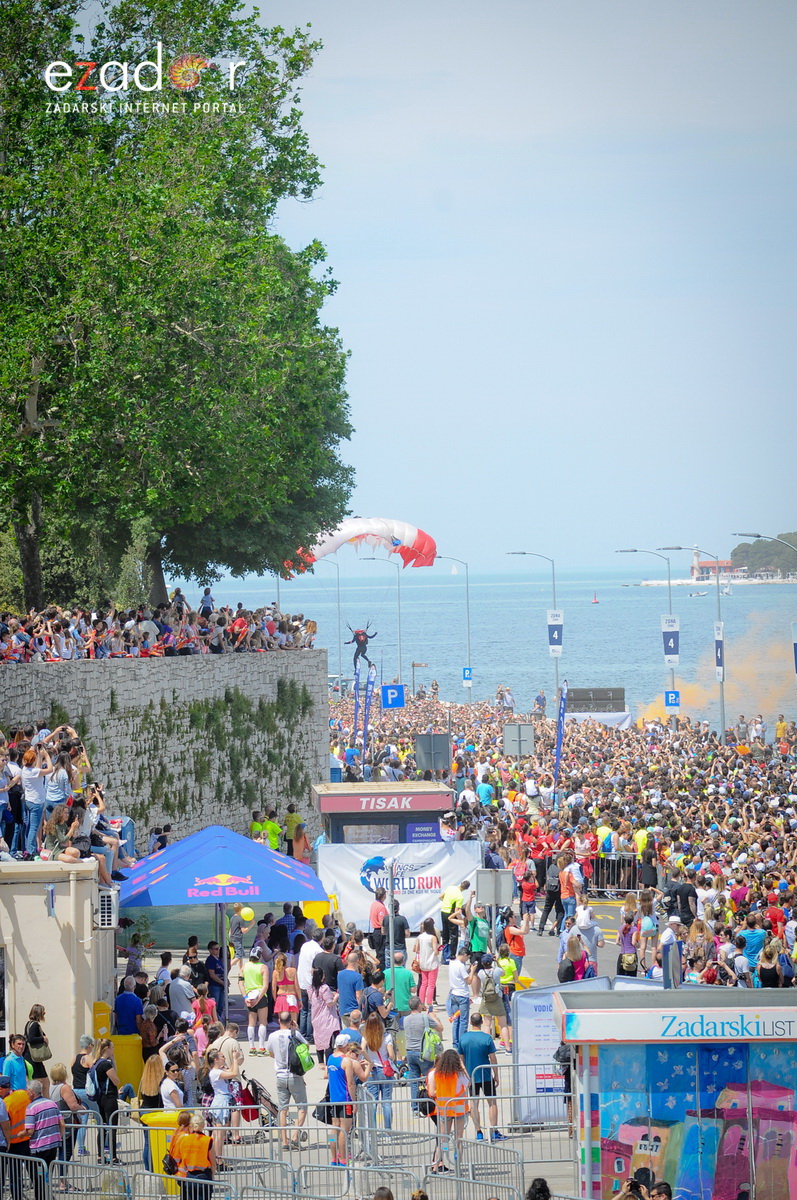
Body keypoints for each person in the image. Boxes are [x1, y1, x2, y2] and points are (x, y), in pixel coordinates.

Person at [265, 1012, 310, 1149]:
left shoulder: (272, 1036)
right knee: (302, 1106)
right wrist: (295, 1030)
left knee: (283, 1109)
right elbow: (306, 1047)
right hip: (294, 1075)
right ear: (291, 1021)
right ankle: (295, 1136)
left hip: (280, 1075)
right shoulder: (294, 1034)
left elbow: (271, 1053)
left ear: (279, 1020)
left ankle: (284, 1140)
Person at [327, 1033, 372, 1167]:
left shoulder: (330, 1058)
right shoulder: (345, 1061)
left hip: (333, 1098)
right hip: (345, 1098)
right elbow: (351, 1083)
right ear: (346, 1045)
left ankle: (334, 1158)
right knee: (344, 1131)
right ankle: (343, 1159)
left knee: (334, 1130)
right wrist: (353, 1102)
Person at [459, 1011, 504, 1141]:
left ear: (470, 1022)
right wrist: (496, 1074)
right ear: (482, 1022)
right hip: (486, 1075)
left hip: (470, 1076)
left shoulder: (463, 1038)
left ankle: (479, 1132)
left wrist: (465, 1075)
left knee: (474, 1104)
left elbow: (460, 1059)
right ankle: (494, 1130)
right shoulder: (487, 1038)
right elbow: (493, 1058)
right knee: (492, 1103)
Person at [427, 1048, 470, 1172]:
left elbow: (433, 1091)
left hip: (444, 1109)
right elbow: (468, 1084)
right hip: (459, 1109)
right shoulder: (459, 1074)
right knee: (458, 1138)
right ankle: (457, 1164)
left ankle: (435, 1165)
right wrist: (463, 1067)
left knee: (443, 1139)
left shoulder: (437, 1074)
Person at [24, 1080, 63, 1200]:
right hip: (53, 1145)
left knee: (37, 1178)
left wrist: (20, 1134)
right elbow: (62, 1123)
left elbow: (30, 1131)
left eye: (27, 1091)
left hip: (38, 1148)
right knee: (47, 1175)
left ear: (31, 1092)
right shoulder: (52, 1103)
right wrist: (58, 1137)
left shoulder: (31, 1108)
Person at [403, 996, 442, 1112]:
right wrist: (433, 1017)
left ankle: (415, 1107)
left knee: (414, 1081)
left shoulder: (405, 1019)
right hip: (423, 1052)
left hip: (410, 1051)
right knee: (429, 1078)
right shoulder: (425, 1018)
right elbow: (440, 1028)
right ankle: (430, 1105)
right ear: (419, 1005)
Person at [362, 1013, 396, 1130]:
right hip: (385, 1070)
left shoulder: (366, 1037)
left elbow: (361, 1049)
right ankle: (387, 1130)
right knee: (386, 1102)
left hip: (372, 1070)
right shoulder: (386, 1037)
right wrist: (389, 1059)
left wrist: (369, 1060)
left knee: (373, 1102)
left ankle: (373, 1130)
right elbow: (391, 1055)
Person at [172, 1111, 215, 1200]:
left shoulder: (184, 1139)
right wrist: (213, 1173)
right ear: (203, 1126)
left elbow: (181, 1157)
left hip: (189, 1175)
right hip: (204, 1175)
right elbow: (213, 1161)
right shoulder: (207, 1140)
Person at [473, 955, 511, 1051]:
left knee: (487, 1024)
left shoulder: (481, 973)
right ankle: (507, 1048)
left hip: (486, 999)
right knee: (503, 1024)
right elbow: (503, 973)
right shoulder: (497, 971)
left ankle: (487, 1048)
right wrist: (497, 961)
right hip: (497, 998)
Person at [308, 966, 339, 1075]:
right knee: (328, 1041)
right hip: (326, 1017)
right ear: (321, 977)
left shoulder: (310, 988)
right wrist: (336, 997)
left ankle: (320, 1062)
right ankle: (327, 1064)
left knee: (318, 1039)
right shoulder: (324, 988)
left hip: (315, 1017)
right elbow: (329, 1003)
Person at [447, 946, 472, 1052]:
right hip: (462, 995)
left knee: (455, 1019)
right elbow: (469, 981)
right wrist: (473, 970)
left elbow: (460, 976)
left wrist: (468, 970)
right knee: (463, 1021)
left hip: (453, 994)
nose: (467, 960)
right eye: (467, 958)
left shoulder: (452, 963)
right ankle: (462, 1043)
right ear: (465, 955)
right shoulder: (461, 966)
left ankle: (455, 1042)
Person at [413, 917, 441, 1006]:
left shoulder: (420, 937)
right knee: (431, 984)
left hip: (423, 963)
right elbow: (435, 952)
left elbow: (416, 949)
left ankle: (421, 1003)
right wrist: (438, 949)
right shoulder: (432, 937)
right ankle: (429, 1003)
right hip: (432, 962)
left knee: (423, 983)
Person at [23, 1007, 51, 1097]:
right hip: (34, 1059)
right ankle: (46, 1102)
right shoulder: (35, 1025)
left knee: (37, 1083)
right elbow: (30, 1039)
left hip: (30, 1057)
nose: (44, 1013)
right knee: (44, 1083)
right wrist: (42, 1038)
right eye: (43, 1011)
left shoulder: (29, 1024)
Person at [384, 951, 416, 1021]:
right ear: (403, 961)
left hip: (391, 1005)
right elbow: (413, 990)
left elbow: (382, 989)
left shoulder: (385, 973)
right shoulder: (408, 973)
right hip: (406, 1006)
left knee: (393, 1029)